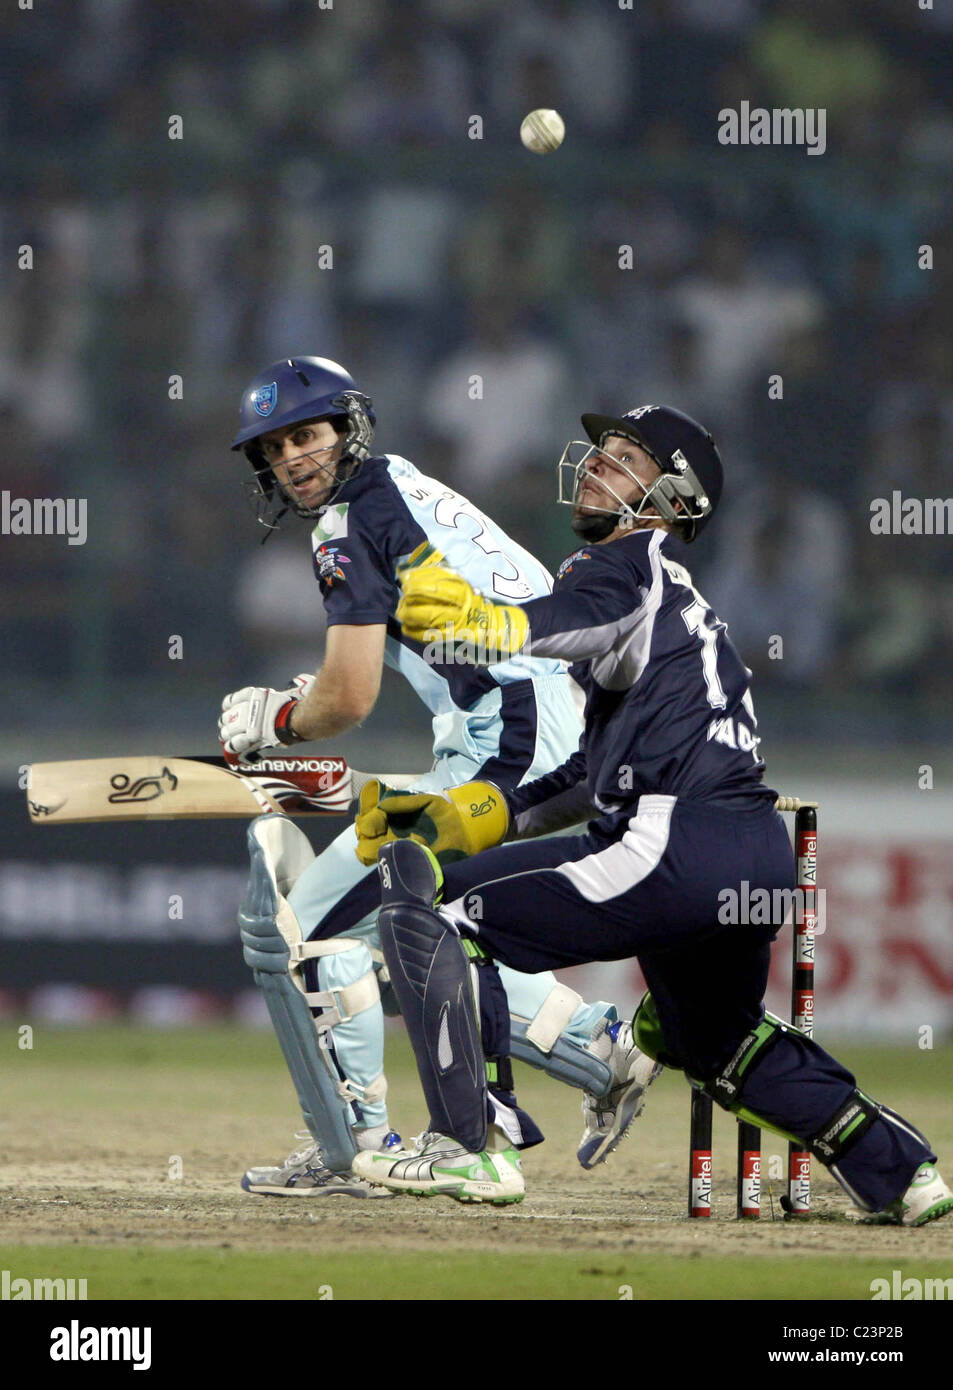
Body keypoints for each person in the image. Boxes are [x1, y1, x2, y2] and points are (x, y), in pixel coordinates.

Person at [352, 403, 953, 1225]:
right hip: (748, 853)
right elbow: (583, 776)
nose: (598, 462)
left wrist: (487, 622)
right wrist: (474, 814)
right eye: (600, 448)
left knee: (433, 911)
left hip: (672, 838)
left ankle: (470, 1146)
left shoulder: (630, 562)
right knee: (715, 1041)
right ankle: (901, 1170)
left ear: (675, 499)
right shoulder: (677, 603)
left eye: (627, 456)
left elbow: (565, 623)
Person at [218, 356, 660, 1196]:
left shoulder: (349, 521)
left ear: (348, 430)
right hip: (537, 729)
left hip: (515, 738)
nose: (292, 460)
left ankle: (357, 1147)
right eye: (274, 448)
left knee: (308, 929)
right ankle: (596, 1045)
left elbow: (346, 696)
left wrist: (275, 721)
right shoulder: (403, 486)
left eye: (306, 435)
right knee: (427, 920)